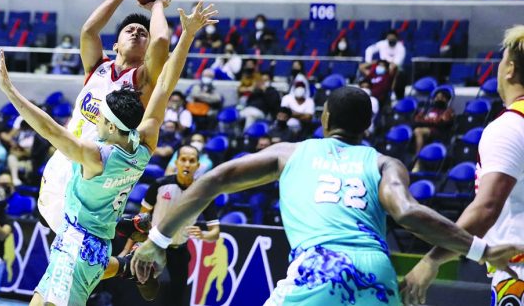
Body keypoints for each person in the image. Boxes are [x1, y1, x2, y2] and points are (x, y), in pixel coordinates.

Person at [131, 86, 524, 306]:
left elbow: (211, 181)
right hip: (377, 273)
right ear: (368, 125)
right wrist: (479, 250)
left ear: (324, 119)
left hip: (319, 268)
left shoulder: (290, 153)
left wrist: (158, 239)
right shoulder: (385, 162)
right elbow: (408, 212)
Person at [0, 1, 217, 306]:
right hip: (98, 245)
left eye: (100, 116)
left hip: (77, 246)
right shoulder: (144, 146)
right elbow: (166, 86)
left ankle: (125, 247)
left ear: (109, 126)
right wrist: (189, 35)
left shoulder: (92, 157)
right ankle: (125, 260)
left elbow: (49, 129)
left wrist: (10, 92)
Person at [39, 0, 171, 234]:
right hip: (62, 162)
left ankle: (121, 254)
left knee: (78, 252)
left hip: (95, 172)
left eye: (142, 32)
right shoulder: (97, 68)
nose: (136, 32)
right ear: (115, 43)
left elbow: (160, 42)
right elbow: (88, 31)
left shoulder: (142, 81)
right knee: (73, 252)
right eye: (129, 30)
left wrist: (158, 1)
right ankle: (123, 236)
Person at [402, 25, 524, 306]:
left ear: (510, 70)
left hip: (518, 267)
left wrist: (432, 260)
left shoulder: (510, 126)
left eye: (502, 61)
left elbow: (486, 209)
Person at [121, 144, 220, 306]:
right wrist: (126, 249)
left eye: (192, 161)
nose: (187, 164)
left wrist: (204, 235)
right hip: (154, 246)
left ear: (198, 165)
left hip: (179, 250)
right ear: (176, 163)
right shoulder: (159, 185)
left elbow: (215, 232)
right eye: (183, 160)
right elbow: (139, 222)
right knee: (147, 292)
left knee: (177, 296)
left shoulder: (203, 194)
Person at [364, 30, 406, 99]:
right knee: (364, 67)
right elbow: (369, 50)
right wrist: (369, 63)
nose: (391, 39)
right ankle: (371, 88)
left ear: (396, 38)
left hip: (395, 68)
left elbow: (396, 63)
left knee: (396, 71)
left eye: (393, 38)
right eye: (389, 38)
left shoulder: (401, 48)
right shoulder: (382, 43)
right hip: (382, 65)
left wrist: (389, 67)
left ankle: (391, 91)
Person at [412, 88, 454, 155]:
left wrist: (426, 120)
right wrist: (430, 121)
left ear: (447, 100)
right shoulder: (428, 109)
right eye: (437, 97)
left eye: (442, 97)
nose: (439, 99)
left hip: (438, 132)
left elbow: (440, 122)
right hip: (427, 129)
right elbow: (417, 119)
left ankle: (417, 157)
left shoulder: (448, 111)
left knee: (418, 130)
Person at [1, 119, 37, 186]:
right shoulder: (19, 136)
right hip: (16, 160)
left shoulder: (36, 137)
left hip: (28, 161)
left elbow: (31, 153)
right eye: (23, 127)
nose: (25, 129)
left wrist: (22, 151)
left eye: (27, 127)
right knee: (11, 158)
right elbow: (12, 151)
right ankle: (15, 179)